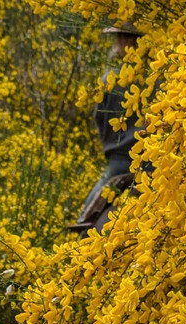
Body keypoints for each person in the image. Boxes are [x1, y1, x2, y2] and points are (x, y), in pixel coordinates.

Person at [68, 23, 142, 234]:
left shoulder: (107, 82)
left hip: (119, 165)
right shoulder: (160, 77)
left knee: (85, 224)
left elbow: (101, 124)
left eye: (122, 37)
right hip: (153, 166)